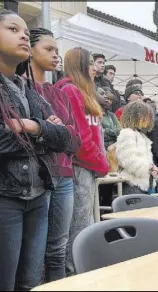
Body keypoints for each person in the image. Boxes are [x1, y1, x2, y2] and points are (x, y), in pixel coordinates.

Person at [0, 10, 73, 290]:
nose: (23, 35)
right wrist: (46, 131)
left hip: (36, 198)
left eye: (24, 30)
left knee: (29, 284)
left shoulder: (26, 87)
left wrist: (33, 127)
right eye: (13, 29)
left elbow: (67, 139)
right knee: (0, 285)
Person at [16, 27, 82, 282]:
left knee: (58, 248)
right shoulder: (20, 87)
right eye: (49, 49)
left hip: (64, 175)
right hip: (37, 175)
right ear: (30, 50)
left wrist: (55, 132)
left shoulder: (59, 93)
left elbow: (74, 141)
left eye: (58, 51)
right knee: (33, 251)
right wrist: (55, 132)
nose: (57, 56)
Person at [55, 47, 109, 276]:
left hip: (88, 168)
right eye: (91, 64)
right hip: (80, 168)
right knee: (77, 232)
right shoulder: (70, 90)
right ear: (81, 66)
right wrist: (101, 163)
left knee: (83, 227)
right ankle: (76, 278)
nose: (96, 68)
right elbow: (80, 137)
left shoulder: (83, 91)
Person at [115, 102, 158, 194]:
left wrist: (153, 169)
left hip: (144, 184)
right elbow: (128, 160)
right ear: (135, 116)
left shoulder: (141, 135)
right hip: (132, 184)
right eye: (145, 116)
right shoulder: (127, 133)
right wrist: (149, 169)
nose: (147, 120)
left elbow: (146, 160)